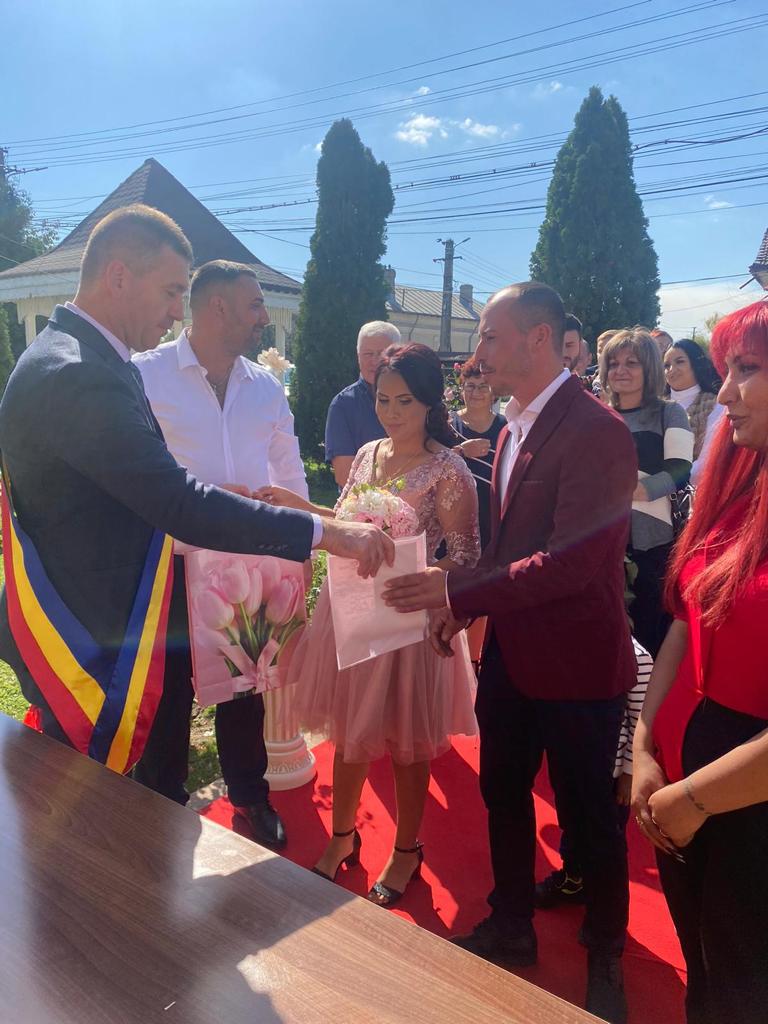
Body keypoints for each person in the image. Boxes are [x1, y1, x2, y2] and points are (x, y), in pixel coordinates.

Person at [0, 205, 392, 778]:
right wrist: (328, 532)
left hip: (103, 619)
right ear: (118, 276)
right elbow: (178, 502)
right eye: (170, 292)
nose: (176, 311)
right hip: (87, 639)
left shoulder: (88, 356)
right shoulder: (79, 372)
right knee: (96, 813)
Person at [385, 282, 638, 1024]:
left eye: (490, 336)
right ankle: (511, 923)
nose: (478, 352)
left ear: (539, 338)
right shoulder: (511, 428)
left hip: (578, 663)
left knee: (589, 814)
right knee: (501, 789)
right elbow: (504, 547)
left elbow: (573, 564)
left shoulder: (596, 430)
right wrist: (463, 610)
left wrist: (455, 591)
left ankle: (606, 952)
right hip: (513, 655)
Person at [260, 343, 480, 907]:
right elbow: (345, 524)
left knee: (409, 743)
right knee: (349, 730)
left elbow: (466, 557)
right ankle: (343, 835)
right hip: (353, 612)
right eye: (383, 399)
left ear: (429, 401)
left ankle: (407, 848)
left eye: (405, 400)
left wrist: (416, 571)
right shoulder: (366, 454)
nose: (391, 412)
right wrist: (299, 506)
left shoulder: (448, 469)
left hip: (408, 619)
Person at [133, 259, 308, 840]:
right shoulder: (145, 376)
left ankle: (251, 797)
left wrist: (300, 541)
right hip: (169, 562)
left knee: (246, 686)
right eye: (255, 305)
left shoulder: (266, 386)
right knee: (168, 692)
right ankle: (162, 804)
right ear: (218, 308)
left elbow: (288, 468)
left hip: (248, 561)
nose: (263, 318)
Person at [632, 300, 768, 1024]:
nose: (727, 392)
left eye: (748, 369)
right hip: (685, 765)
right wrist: (644, 743)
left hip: (745, 794)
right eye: (727, 369)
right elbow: (685, 621)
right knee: (705, 975)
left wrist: (694, 799)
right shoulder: (737, 488)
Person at [536, 637, 652, 908]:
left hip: (610, 774)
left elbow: (642, 721)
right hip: (573, 761)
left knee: (605, 836)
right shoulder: (573, 644)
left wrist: (628, 773)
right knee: (573, 825)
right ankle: (574, 878)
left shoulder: (637, 656)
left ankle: (603, 898)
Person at [600, 329, 693, 657]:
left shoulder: (670, 412)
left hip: (652, 545)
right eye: (613, 363)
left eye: (632, 363)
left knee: (652, 637)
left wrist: (638, 491)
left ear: (649, 367)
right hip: (603, 543)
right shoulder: (598, 415)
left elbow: (681, 470)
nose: (620, 370)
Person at [324, 321, 400, 487]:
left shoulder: (416, 400)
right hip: (366, 500)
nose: (374, 361)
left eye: (381, 353)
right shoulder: (343, 405)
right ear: (358, 356)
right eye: (367, 354)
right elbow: (345, 476)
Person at [450, 355, 506, 550]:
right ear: (462, 389)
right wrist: (460, 452)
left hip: (493, 518)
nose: (476, 393)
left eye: (483, 386)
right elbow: (430, 466)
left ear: (493, 392)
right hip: (453, 517)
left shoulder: (507, 427)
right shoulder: (447, 425)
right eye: (470, 386)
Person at [663, 338, 724, 486]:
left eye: (680, 362)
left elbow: (707, 462)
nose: (672, 369)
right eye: (667, 365)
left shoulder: (715, 405)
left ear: (696, 364)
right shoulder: (654, 406)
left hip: (691, 492)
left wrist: (663, 483)